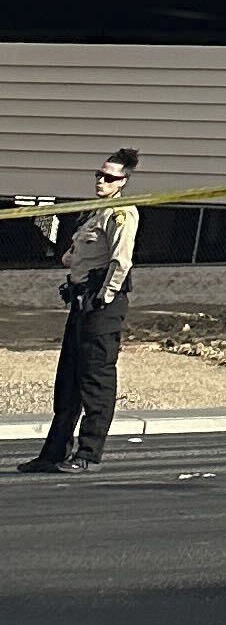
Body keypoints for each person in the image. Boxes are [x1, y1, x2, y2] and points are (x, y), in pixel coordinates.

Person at [20, 150, 139, 474]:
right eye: (100, 175)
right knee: (68, 380)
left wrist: (103, 296)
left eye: (110, 177)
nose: (102, 181)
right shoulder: (94, 213)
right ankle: (53, 453)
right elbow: (73, 256)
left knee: (96, 381)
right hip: (81, 301)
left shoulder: (121, 213)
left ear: (123, 182)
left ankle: (88, 454)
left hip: (102, 305)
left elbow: (120, 261)